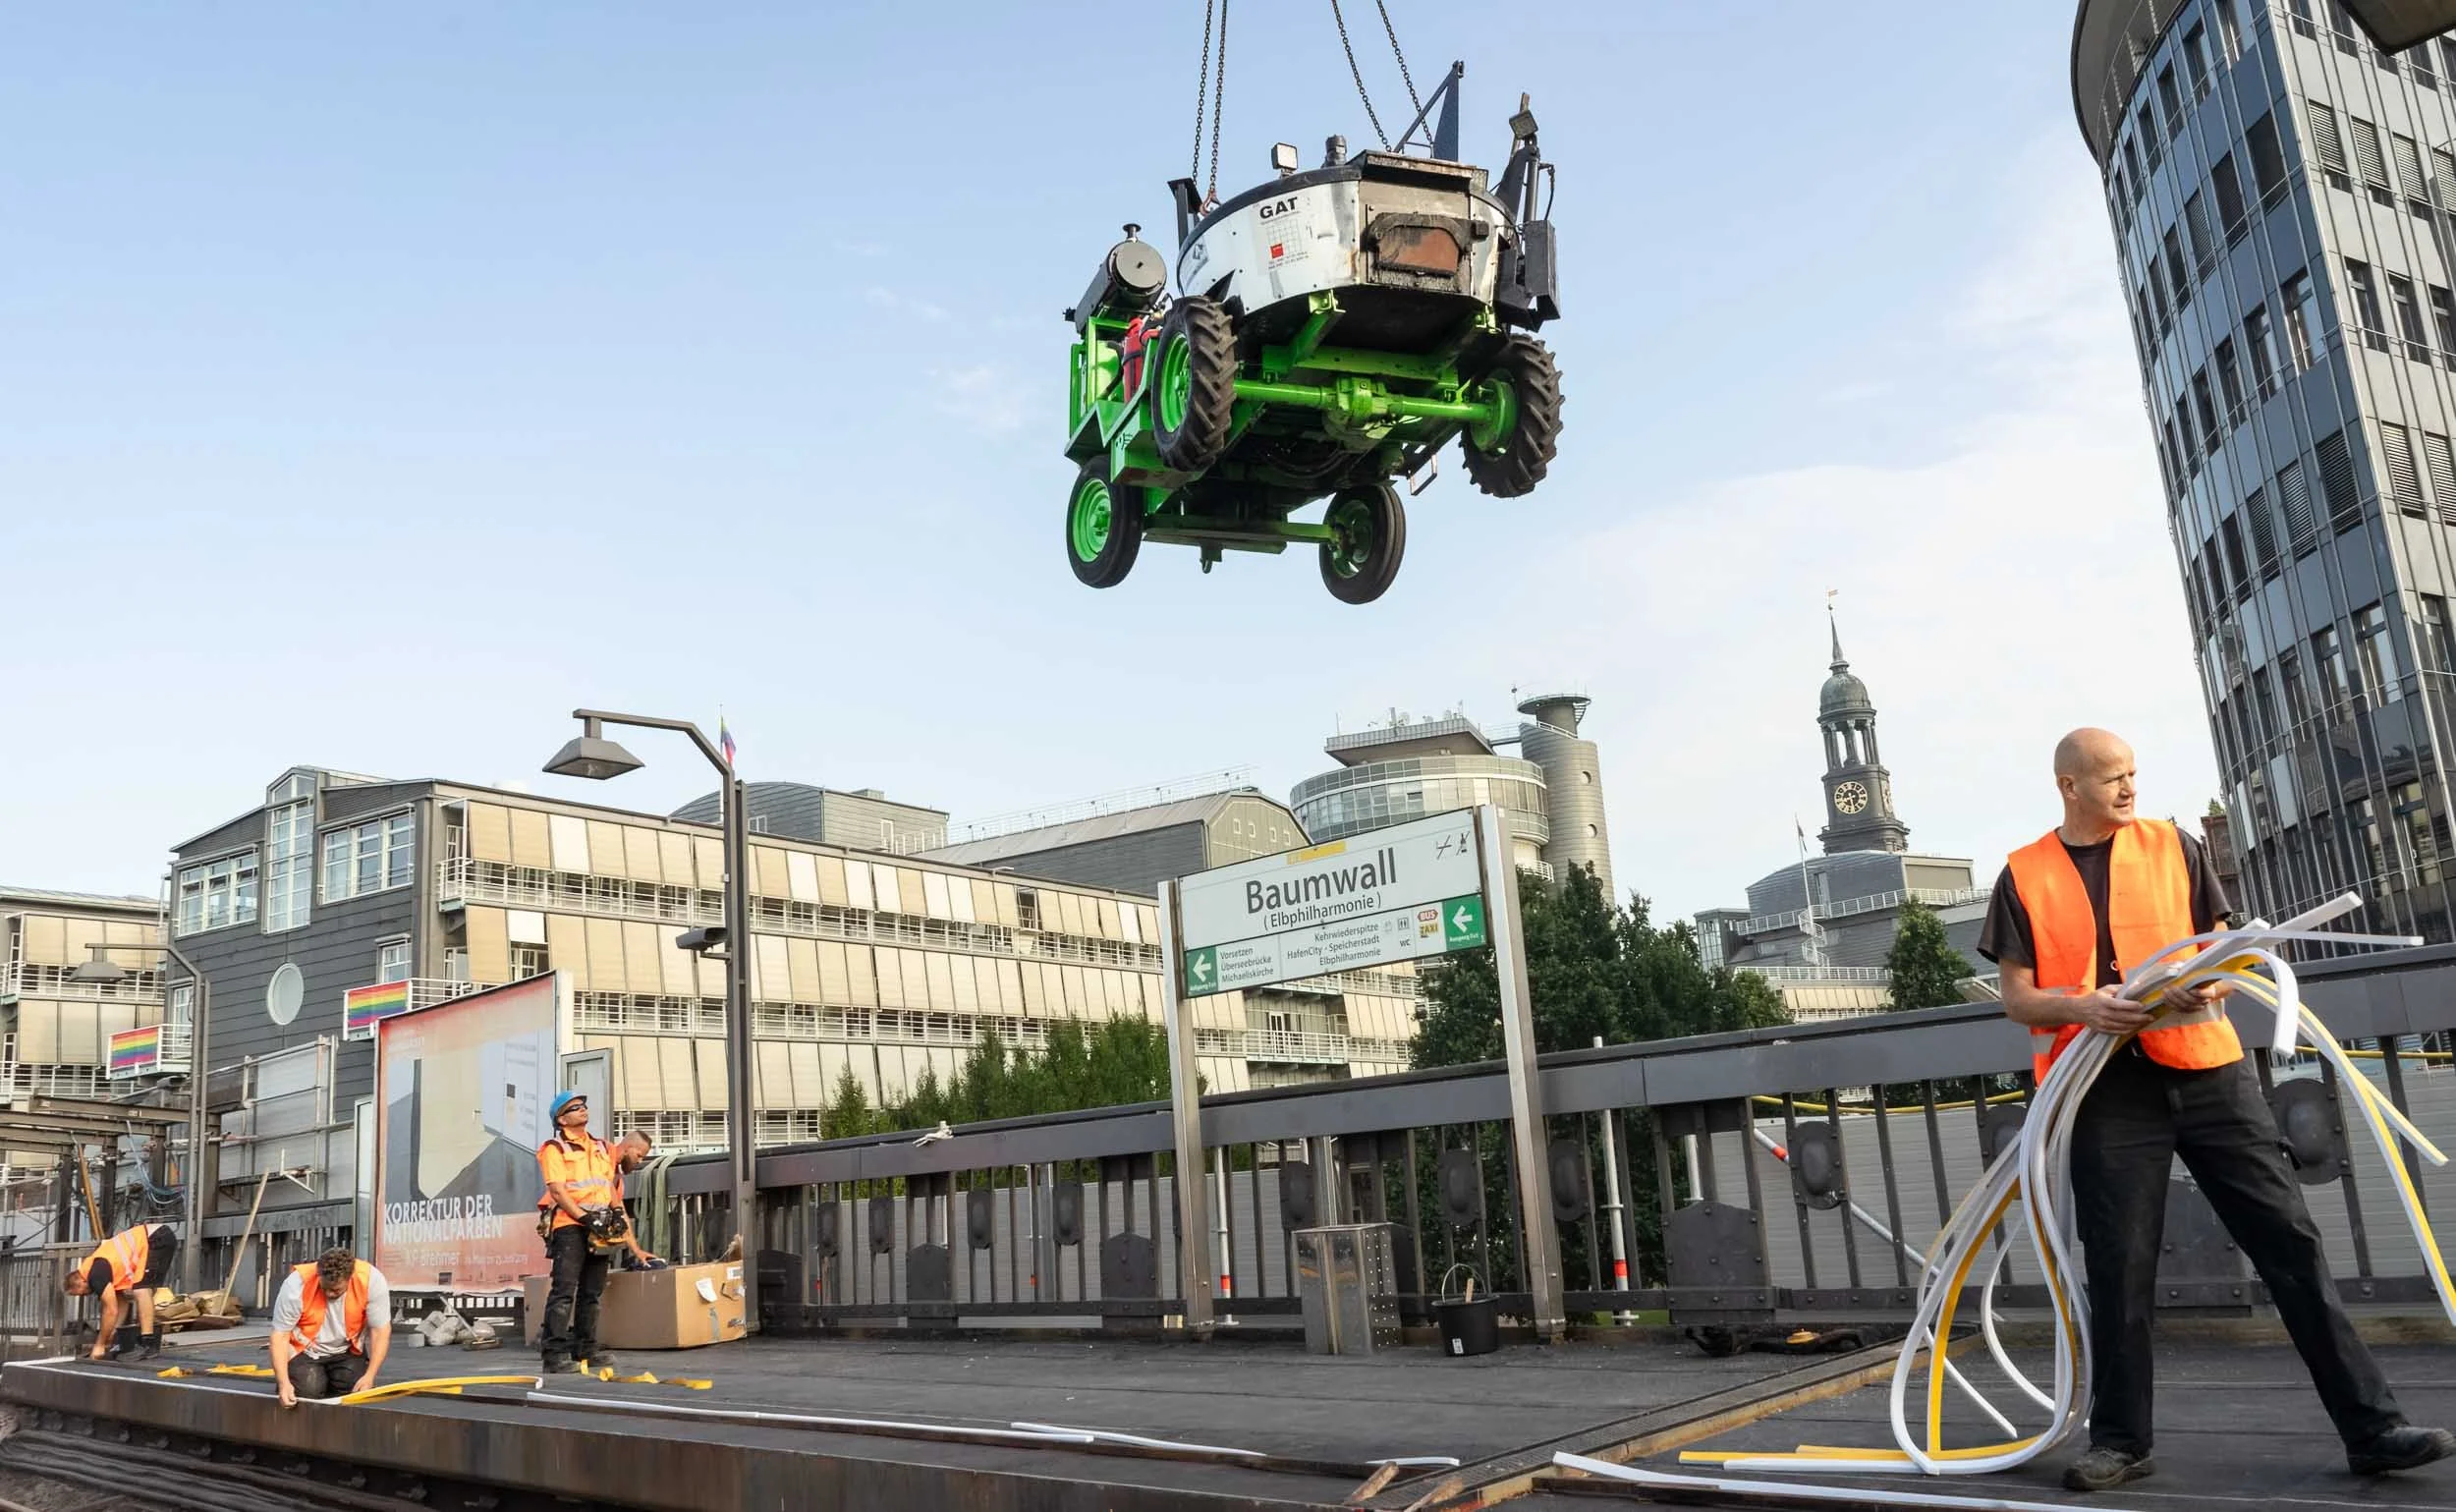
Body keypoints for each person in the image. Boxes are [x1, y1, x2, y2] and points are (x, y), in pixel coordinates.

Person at [1979, 728, 2455, 1492]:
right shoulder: (2024, 874)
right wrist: (2082, 1005)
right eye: (2112, 779)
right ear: (2069, 786)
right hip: (2104, 1090)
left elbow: (2231, 952)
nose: (2130, 789)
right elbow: (2017, 997)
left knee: (2290, 1241)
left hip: (2209, 1073)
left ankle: (2374, 1428)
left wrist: (2214, 981)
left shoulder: (2175, 845)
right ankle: (2123, 1441)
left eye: (2133, 774)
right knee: (2119, 1265)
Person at [535, 1090, 632, 1373]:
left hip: (599, 1224)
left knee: (592, 1292)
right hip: (570, 1227)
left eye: (583, 1105)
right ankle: (554, 1355)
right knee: (564, 1292)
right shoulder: (554, 1149)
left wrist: (616, 1213)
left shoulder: (601, 1147)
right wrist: (585, 1218)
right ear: (561, 1120)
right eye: (575, 1108)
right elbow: (558, 1191)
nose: (582, 1110)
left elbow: (607, 1185)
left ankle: (585, 1350)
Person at [270, 1246, 391, 1405]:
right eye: (325, 1288)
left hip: (346, 1349)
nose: (329, 1294)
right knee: (306, 1392)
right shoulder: (296, 1285)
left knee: (355, 1390)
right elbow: (280, 1336)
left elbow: (380, 1331)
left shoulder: (371, 1281)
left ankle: (331, 1381)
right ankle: (305, 1380)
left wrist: (370, 1376)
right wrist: (284, 1383)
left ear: (349, 1278)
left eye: (336, 1290)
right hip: (304, 1350)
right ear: (318, 1274)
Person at [64, 1221, 179, 1362]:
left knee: (141, 1290)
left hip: (155, 1238)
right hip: (155, 1238)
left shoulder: (95, 1274)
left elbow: (110, 1310)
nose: (84, 1295)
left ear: (80, 1281)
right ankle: (145, 1342)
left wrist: (99, 1344)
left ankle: (148, 1343)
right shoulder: (101, 1270)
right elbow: (120, 1304)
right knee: (139, 1289)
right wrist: (110, 1336)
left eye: (80, 1292)